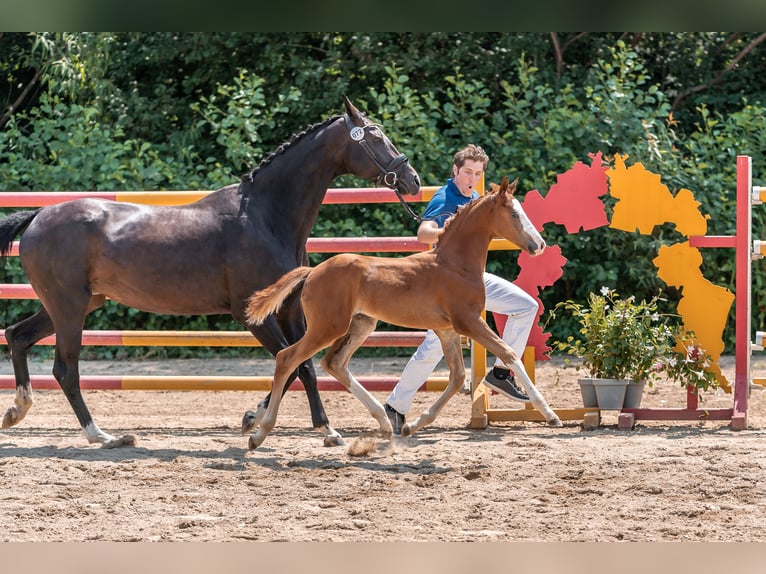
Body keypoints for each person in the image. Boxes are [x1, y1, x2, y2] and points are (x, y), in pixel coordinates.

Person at [384, 144, 542, 434]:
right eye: (467, 171)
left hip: (474, 282)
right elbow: (423, 233)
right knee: (433, 348)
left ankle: (502, 373)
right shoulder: (446, 197)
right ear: (455, 170)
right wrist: (447, 230)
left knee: (526, 306)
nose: (472, 177)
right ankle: (395, 407)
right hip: (444, 289)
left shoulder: (476, 198)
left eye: (478, 173)